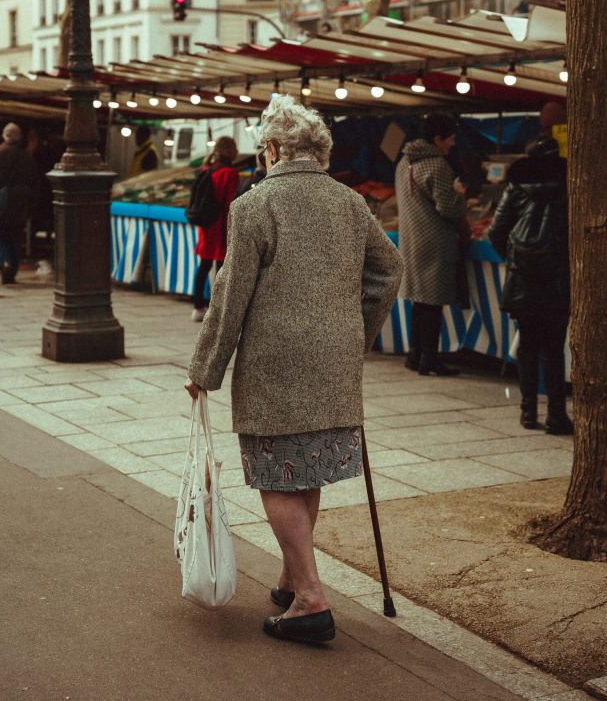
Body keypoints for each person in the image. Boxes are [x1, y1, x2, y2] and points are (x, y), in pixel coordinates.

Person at [184, 95, 402, 644]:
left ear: (275, 150)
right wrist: (357, 329)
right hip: (333, 361)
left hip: (275, 365)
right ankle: (291, 574)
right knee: (303, 468)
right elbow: (390, 267)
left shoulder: (257, 205)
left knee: (277, 471)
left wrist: (205, 369)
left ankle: (309, 599)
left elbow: (230, 297)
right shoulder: (349, 202)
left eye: (264, 148)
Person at [488, 135, 573, 435]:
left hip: (523, 278)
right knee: (553, 348)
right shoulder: (571, 186)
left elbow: (495, 232)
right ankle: (556, 415)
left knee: (527, 346)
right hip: (558, 279)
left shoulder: (516, 187)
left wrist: (514, 260)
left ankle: (527, 412)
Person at [395, 113, 468, 376]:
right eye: (450, 139)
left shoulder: (404, 162)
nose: (452, 145)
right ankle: (430, 360)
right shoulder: (438, 166)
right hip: (435, 243)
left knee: (419, 301)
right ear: (437, 139)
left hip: (410, 240)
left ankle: (415, 355)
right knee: (432, 304)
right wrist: (460, 195)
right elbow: (448, 208)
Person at [0, 123, 39, 285]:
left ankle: (4, 261)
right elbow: (34, 181)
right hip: (20, 202)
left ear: (4, 136)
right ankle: (11, 273)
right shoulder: (27, 156)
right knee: (15, 237)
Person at [190, 136, 239, 322]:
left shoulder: (206, 168)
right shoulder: (229, 173)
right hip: (219, 226)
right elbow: (229, 204)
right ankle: (217, 308)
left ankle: (198, 306)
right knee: (220, 268)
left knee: (203, 265)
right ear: (230, 150)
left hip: (206, 226)